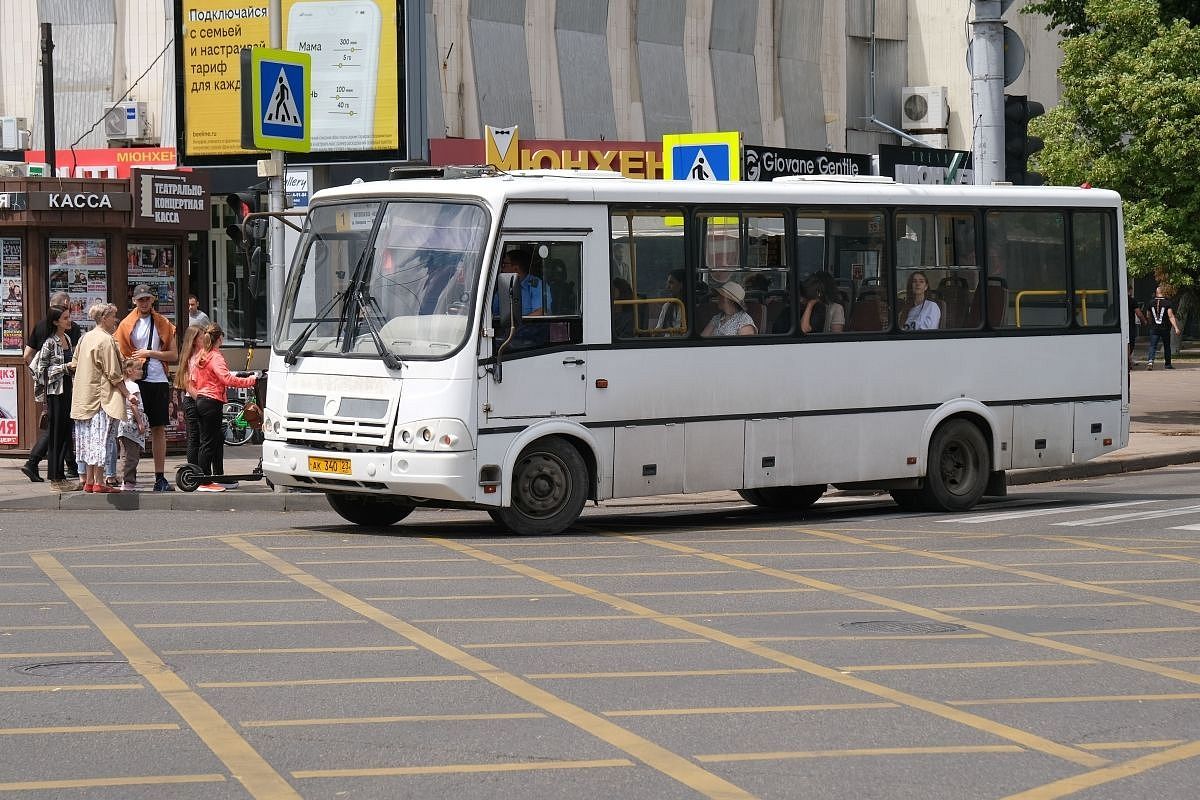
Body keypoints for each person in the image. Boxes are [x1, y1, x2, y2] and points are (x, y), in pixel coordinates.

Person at [115, 284, 178, 491]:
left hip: (157, 379)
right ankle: (129, 477)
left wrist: (150, 353)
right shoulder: (125, 324)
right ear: (134, 301)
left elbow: (174, 355)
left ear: (152, 300)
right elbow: (120, 353)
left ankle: (160, 477)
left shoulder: (163, 323)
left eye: (147, 299)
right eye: (140, 299)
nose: (144, 302)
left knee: (158, 427)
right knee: (130, 428)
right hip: (135, 380)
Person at [21, 291, 83, 483]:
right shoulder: (49, 342)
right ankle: (53, 473)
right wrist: (43, 384)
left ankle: (62, 472)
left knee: (64, 431)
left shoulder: (69, 338)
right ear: (57, 319)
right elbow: (41, 368)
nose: (69, 320)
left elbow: (27, 356)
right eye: (66, 317)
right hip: (55, 392)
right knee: (55, 432)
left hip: (68, 389)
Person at [188, 323, 257, 492]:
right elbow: (226, 379)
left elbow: (196, 379)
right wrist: (251, 381)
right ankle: (204, 481)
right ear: (220, 338)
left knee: (210, 441)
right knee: (209, 443)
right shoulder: (215, 356)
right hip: (212, 401)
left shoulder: (202, 355)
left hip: (202, 399)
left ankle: (212, 478)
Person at [71, 303, 129, 494]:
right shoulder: (106, 340)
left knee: (87, 440)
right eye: (113, 316)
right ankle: (98, 481)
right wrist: (128, 394)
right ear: (104, 318)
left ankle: (89, 481)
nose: (116, 320)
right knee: (101, 440)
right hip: (101, 399)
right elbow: (113, 373)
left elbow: (75, 363)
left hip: (84, 398)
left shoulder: (85, 337)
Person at [173, 324, 205, 467]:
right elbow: (187, 383)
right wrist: (200, 399)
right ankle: (193, 469)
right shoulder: (188, 358)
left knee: (203, 437)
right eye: (201, 335)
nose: (204, 337)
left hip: (202, 398)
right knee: (194, 436)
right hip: (193, 400)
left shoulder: (204, 354)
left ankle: (202, 469)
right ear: (194, 339)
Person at [116, 358, 149, 491]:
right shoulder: (133, 386)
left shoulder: (124, 385)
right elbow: (134, 405)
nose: (141, 372)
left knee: (126, 454)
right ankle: (128, 481)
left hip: (123, 424)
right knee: (132, 455)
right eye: (139, 369)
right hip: (132, 424)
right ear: (129, 371)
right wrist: (140, 423)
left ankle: (129, 480)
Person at [1144, 285, 1181, 369]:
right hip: (1165, 328)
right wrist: (1176, 328)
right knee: (1167, 345)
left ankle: (1150, 361)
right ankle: (1167, 364)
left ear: (1156, 293)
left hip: (1154, 328)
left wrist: (1150, 323)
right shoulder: (1167, 303)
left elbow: (1148, 315)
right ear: (1163, 293)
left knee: (1153, 345)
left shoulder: (1150, 302)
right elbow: (1171, 316)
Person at [1128, 283, 1145, 370]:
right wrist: (1144, 321)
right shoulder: (1132, 300)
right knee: (1130, 343)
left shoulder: (1118, 299)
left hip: (1122, 326)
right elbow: (1138, 313)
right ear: (1130, 290)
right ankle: (1128, 361)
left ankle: (1128, 361)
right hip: (1130, 325)